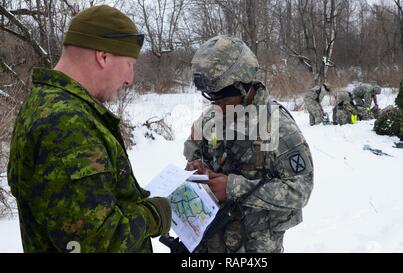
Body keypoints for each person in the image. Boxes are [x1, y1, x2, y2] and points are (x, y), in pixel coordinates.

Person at [7, 5, 171, 253]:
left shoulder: (44, 103)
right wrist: (154, 215)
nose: (130, 79)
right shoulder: (66, 123)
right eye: (129, 64)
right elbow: (99, 242)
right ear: (103, 56)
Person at [183, 35, 314, 253]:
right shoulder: (212, 116)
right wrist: (196, 165)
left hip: (253, 245)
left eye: (224, 101)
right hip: (209, 240)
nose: (219, 108)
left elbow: (300, 191)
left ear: (244, 88)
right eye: (213, 101)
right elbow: (193, 149)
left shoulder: (276, 125)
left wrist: (233, 187)